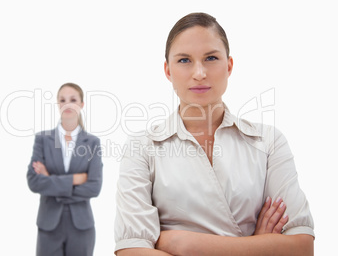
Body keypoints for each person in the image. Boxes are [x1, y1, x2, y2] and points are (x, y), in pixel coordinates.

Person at [114, 13, 314, 255]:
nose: (199, 72)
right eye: (184, 60)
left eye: (211, 58)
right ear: (168, 71)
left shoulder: (268, 141)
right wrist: (259, 247)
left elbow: (302, 246)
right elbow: (131, 250)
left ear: (229, 66)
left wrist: (181, 244)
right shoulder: (142, 147)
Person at [27, 83, 103, 256]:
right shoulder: (42, 139)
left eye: (73, 100)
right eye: (63, 100)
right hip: (49, 225)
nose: (67, 104)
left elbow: (94, 187)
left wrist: (50, 179)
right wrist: (75, 179)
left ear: (82, 105)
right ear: (58, 104)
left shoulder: (92, 143)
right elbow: (33, 181)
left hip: (81, 226)